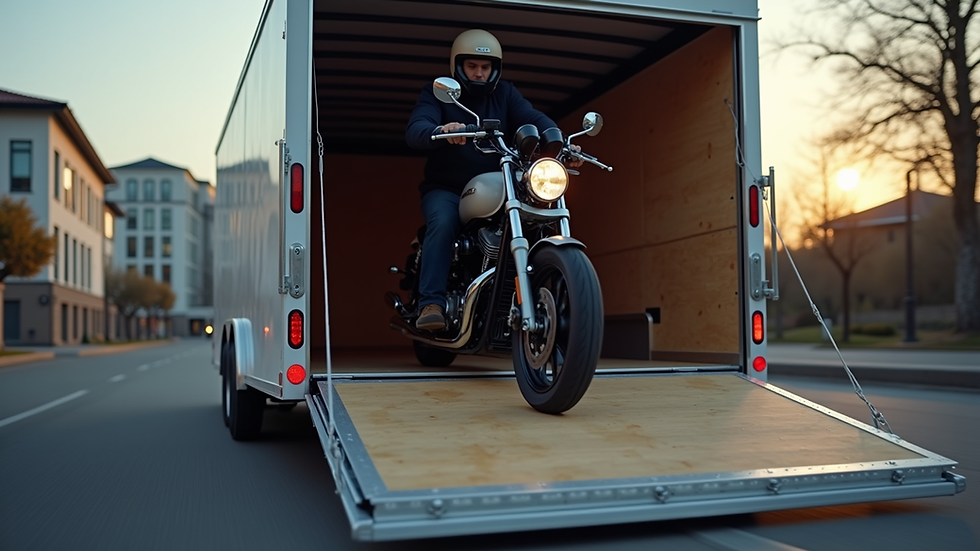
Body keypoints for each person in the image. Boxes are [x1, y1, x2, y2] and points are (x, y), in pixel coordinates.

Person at [405, 29, 582, 331]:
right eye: (472, 66)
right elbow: (417, 127)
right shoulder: (440, 94)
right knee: (444, 222)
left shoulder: (505, 94)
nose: (478, 73)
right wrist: (443, 131)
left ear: (495, 70)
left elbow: (532, 118)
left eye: (485, 68)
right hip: (448, 189)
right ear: (458, 67)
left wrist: (561, 143)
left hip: (500, 186)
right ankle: (430, 303)